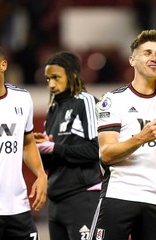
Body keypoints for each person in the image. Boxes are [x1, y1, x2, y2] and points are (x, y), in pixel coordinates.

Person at [88, 29, 156, 240]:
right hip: (120, 194)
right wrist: (141, 138)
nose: (154, 58)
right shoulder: (114, 100)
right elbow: (106, 154)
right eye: (147, 53)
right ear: (132, 60)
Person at [0, 42, 47, 239]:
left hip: (18, 206)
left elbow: (27, 143)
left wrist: (41, 174)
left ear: (3, 65)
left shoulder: (22, 98)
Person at [34, 51, 102, 240]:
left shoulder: (85, 102)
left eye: (56, 77)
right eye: (48, 79)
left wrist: (55, 148)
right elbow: (52, 163)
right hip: (56, 200)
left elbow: (96, 150)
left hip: (82, 196)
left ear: (72, 75)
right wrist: (44, 149)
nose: (51, 84)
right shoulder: (53, 109)